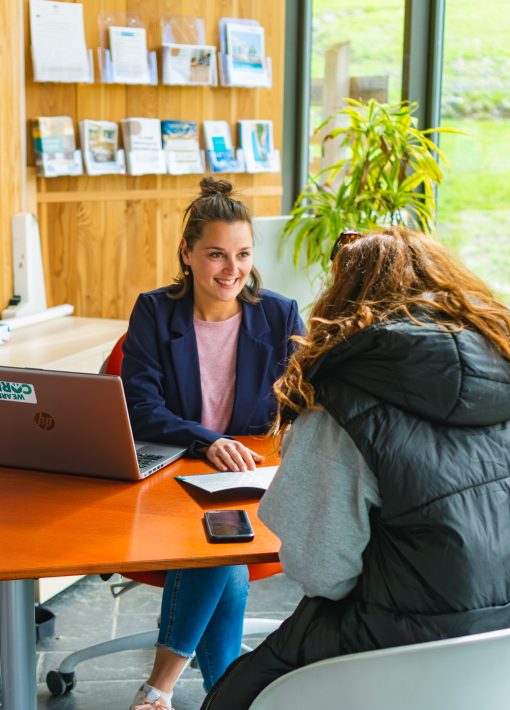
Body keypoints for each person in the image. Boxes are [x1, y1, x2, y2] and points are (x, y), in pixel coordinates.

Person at [201, 226, 510, 709]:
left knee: (234, 697)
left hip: (393, 651)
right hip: (494, 661)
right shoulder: (501, 375)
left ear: (344, 302)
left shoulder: (341, 411)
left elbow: (321, 573)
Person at [121, 177, 303, 709]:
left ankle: (161, 689)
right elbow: (140, 407)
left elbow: (299, 403)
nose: (232, 270)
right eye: (216, 254)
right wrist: (207, 441)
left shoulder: (279, 314)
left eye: (243, 254)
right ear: (187, 252)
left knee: (220, 545)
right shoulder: (155, 311)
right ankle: (220, 696)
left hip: (250, 473)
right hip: (174, 470)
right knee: (221, 552)